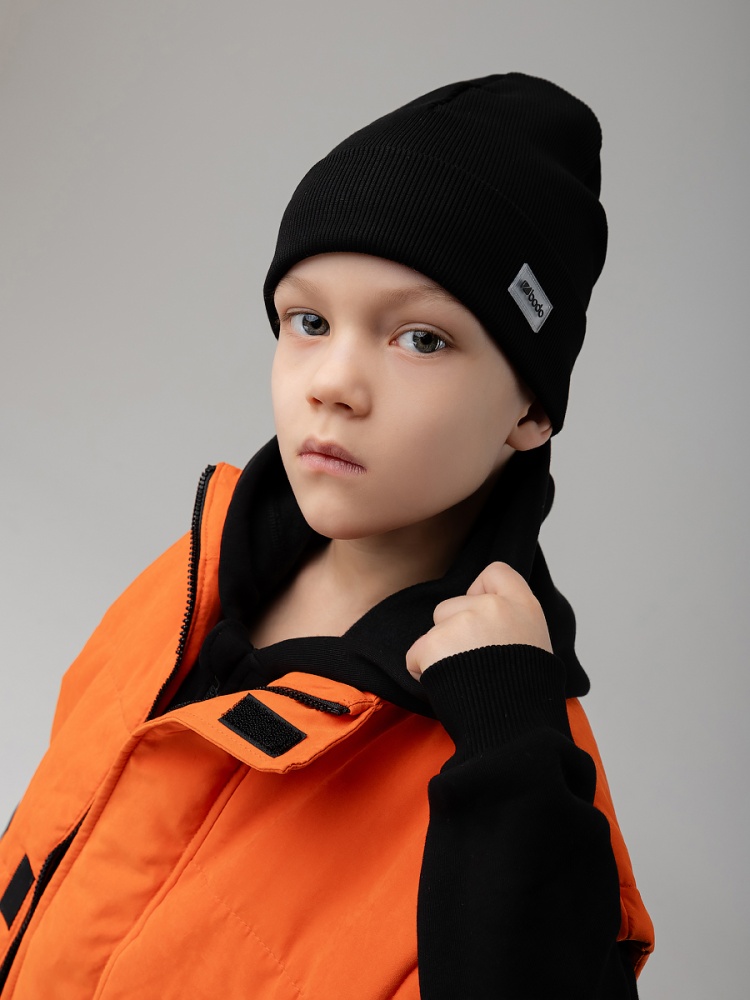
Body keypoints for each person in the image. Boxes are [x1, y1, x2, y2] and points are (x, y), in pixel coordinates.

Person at [0, 73, 653, 998]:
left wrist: (510, 754)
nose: (332, 383)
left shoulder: (518, 757)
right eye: (308, 321)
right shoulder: (190, 574)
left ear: (531, 411)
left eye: (421, 338)